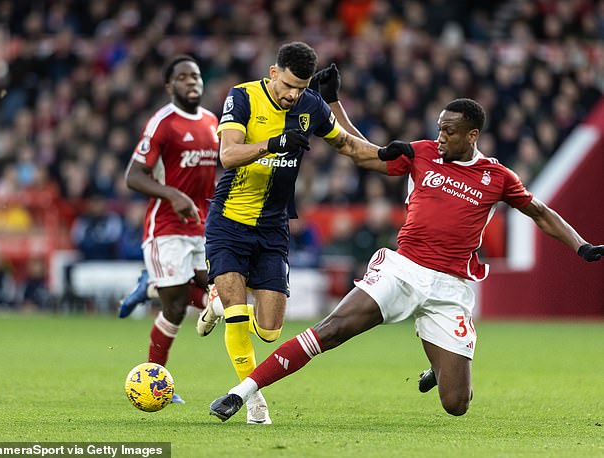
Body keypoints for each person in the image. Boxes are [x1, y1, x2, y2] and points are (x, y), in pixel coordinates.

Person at [208, 87, 604, 422]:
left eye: (449, 131)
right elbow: (364, 153)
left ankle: (439, 362)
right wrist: (334, 104)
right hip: (404, 269)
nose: (441, 136)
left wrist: (581, 245)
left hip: (452, 287)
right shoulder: (423, 153)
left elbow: (541, 213)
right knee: (332, 330)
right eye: (439, 129)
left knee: (456, 405)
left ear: (473, 135)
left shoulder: (498, 177)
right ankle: (241, 393)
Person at [203, 42, 393, 424]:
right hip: (229, 220)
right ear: (273, 72)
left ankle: (220, 302)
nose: (293, 95)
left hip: (273, 226)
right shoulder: (243, 96)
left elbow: (352, 148)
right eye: (288, 85)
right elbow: (227, 154)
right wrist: (272, 144)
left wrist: (398, 157)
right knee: (241, 317)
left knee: (270, 332)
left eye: (300, 88)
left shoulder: (311, 105)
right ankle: (254, 403)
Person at [117, 55, 220, 403]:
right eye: (183, 77)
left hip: (202, 225)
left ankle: (150, 285)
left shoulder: (211, 122)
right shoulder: (162, 123)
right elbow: (133, 176)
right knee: (176, 308)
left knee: (217, 292)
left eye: (197, 76)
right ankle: (155, 379)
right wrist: (173, 194)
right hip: (166, 227)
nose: (192, 82)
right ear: (169, 85)